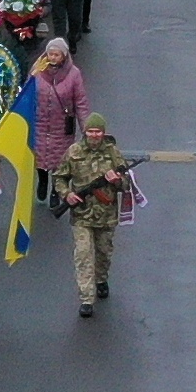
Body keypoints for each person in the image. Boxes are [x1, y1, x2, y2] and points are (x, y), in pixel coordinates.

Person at [55, 112, 130, 317]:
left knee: (104, 252)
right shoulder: (74, 152)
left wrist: (116, 180)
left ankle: (101, 279)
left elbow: (126, 184)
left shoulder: (113, 153)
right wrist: (67, 194)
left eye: (98, 131)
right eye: (91, 131)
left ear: (103, 132)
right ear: (85, 132)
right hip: (82, 214)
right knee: (83, 254)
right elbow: (60, 177)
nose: (94, 135)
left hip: (106, 214)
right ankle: (87, 298)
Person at [31, 38, 89, 204]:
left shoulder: (74, 74)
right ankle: (42, 180)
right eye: (50, 54)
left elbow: (80, 101)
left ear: (64, 56)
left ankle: (57, 190)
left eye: (57, 54)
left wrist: (85, 126)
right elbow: (27, 93)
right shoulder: (38, 69)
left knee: (60, 160)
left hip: (62, 125)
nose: (53, 57)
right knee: (40, 157)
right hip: (40, 122)